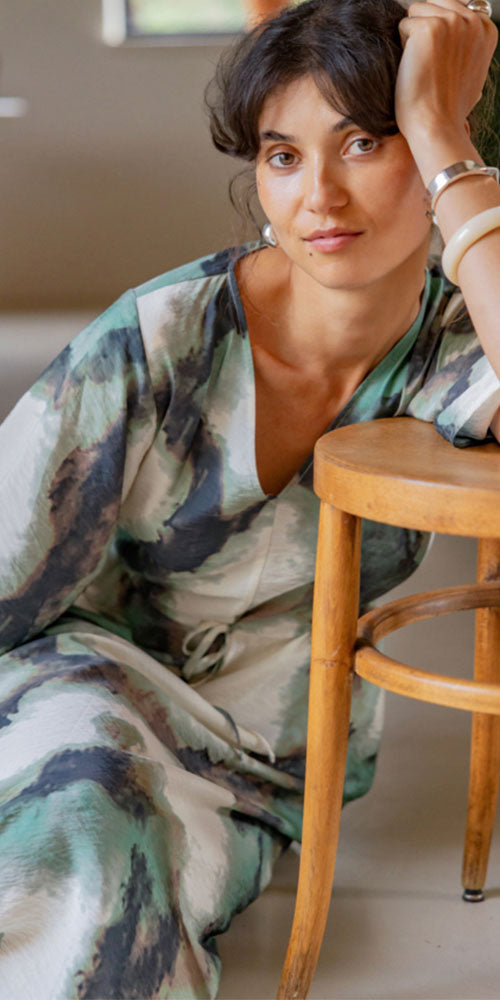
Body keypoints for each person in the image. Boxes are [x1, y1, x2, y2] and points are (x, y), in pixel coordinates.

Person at [1, 0, 500, 996]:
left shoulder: (451, 346)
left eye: (364, 142)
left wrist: (444, 132)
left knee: (121, 867)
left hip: (259, 765)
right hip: (80, 686)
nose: (319, 195)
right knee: (80, 813)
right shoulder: (162, 337)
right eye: (282, 156)